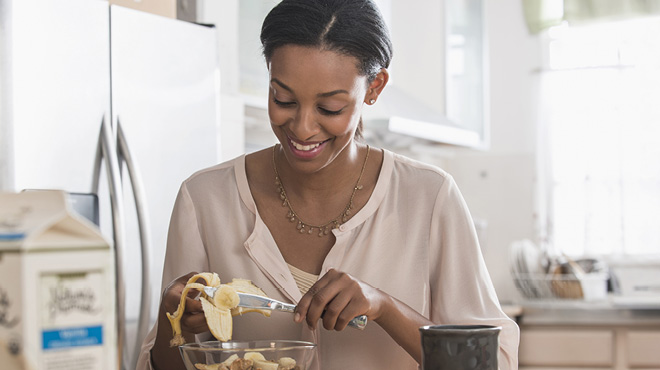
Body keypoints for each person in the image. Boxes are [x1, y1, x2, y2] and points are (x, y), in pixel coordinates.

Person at [137, 0, 519, 369]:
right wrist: (174, 319)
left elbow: (493, 362)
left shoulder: (429, 198)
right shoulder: (204, 200)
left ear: (374, 88)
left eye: (330, 108)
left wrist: (384, 307)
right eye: (282, 98)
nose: (303, 128)